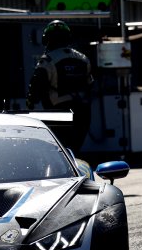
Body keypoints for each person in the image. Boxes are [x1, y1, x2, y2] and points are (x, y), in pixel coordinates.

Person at [26, 20, 94, 153]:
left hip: (59, 114)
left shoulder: (47, 60)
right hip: (83, 113)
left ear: (47, 40)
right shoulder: (83, 58)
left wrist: (30, 104)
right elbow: (91, 85)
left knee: (60, 152)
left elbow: (35, 88)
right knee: (75, 151)